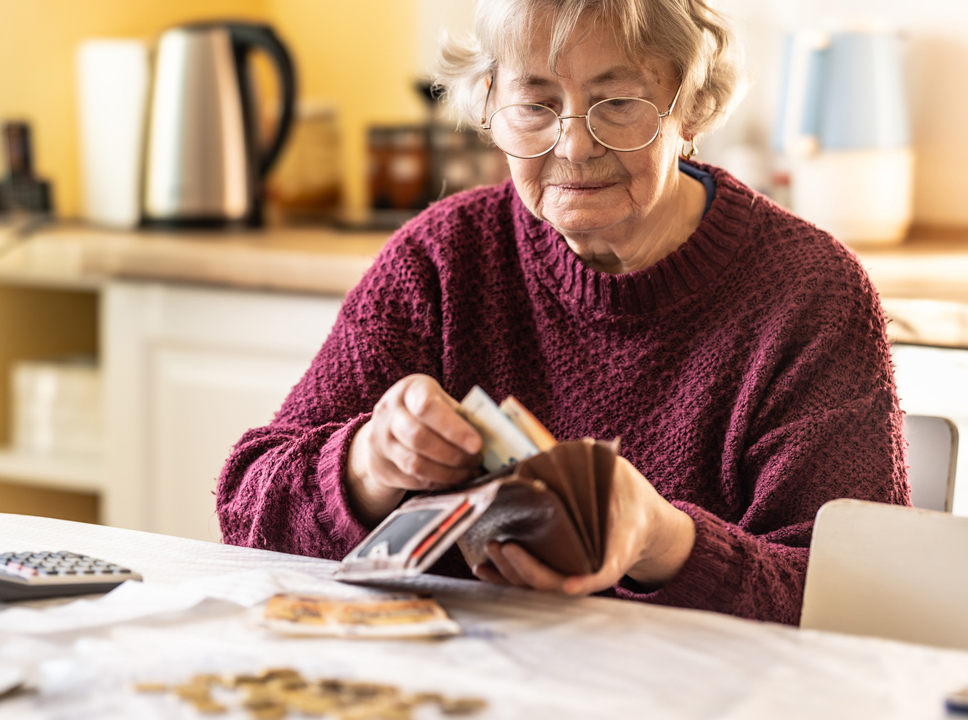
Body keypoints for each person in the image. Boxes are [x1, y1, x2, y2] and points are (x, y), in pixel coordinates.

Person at [216, 0, 907, 626]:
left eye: (617, 103)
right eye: (536, 104)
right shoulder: (444, 259)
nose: (574, 146)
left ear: (691, 105)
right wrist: (366, 465)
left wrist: (663, 540)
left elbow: (865, 601)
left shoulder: (808, 292)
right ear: (489, 105)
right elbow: (246, 507)